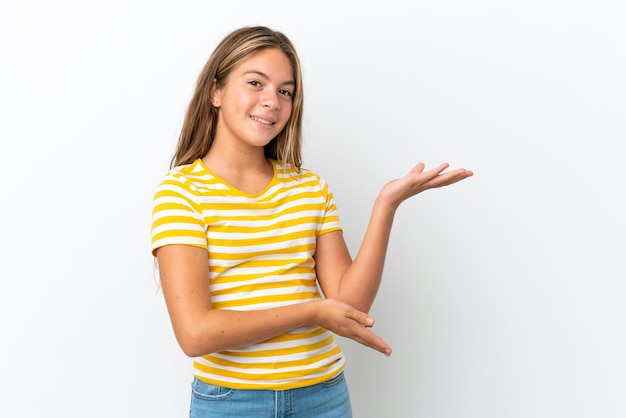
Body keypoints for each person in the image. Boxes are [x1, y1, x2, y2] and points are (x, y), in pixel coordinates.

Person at [150, 25, 473, 418]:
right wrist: (312, 311)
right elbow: (194, 333)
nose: (272, 101)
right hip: (233, 403)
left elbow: (349, 304)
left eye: (285, 91)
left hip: (323, 398)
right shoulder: (181, 192)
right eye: (256, 83)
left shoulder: (310, 188)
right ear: (215, 91)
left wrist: (386, 205)